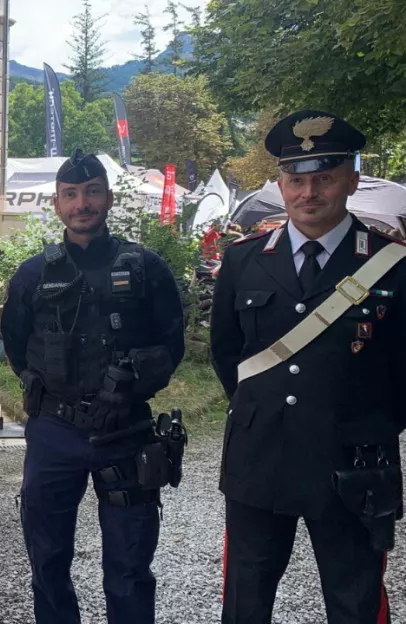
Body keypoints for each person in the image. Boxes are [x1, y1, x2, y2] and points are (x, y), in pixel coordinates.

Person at [210, 110, 406, 623]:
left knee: (355, 600)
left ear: (352, 180)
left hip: (352, 462)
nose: (309, 192)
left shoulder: (392, 264)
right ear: (281, 184)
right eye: (297, 180)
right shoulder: (244, 259)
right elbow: (227, 354)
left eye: (325, 178)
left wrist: (362, 422)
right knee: (245, 599)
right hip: (260, 458)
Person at [0, 150, 186, 623]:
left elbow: (171, 345)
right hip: (54, 432)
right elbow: (16, 346)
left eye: (91, 192)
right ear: (58, 204)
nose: (82, 203)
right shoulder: (32, 274)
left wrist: (127, 386)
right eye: (71, 195)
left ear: (106, 197)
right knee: (47, 559)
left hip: (125, 431)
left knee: (129, 566)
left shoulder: (145, 267)